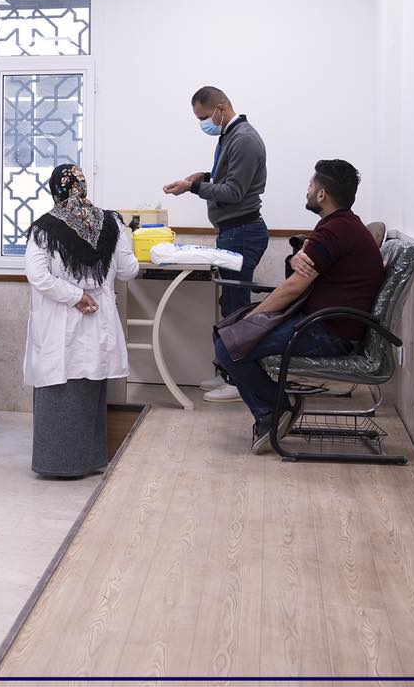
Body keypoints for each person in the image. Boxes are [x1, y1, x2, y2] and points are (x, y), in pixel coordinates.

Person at [215, 160, 384, 454]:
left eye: (310, 185)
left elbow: (294, 286)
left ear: (322, 194)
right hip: (325, 323)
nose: (307, 190)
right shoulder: (343, 225)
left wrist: (253, 318)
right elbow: (305, 266)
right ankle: (274, 406)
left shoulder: (334, 231)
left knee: (229, 347)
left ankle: (274, 409)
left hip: (329, 332)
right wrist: (296, 258)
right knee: (227, 333)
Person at [23, 164, 139, 477]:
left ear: (55, 190)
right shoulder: (112, 222)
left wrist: (74, 295)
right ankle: (88, 461)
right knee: (89, 388)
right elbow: (128, 271)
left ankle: (55, 464)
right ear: (83, 186)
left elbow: (37, 275)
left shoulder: (45, 228)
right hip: (98, 318)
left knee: (59, 384)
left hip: (60, 319)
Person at [162, 86, 268, 403]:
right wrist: (202, 177)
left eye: (204, 117)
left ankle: (240, 382)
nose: (203, 124)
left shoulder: (244, 139)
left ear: (221, 108)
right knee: (230, 305)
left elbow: (234, 192)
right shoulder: (229, 136)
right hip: (233, 231)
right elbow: (228, 177)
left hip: (242, 232)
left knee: (236, 309)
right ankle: (229, 373)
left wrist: (194, 187)